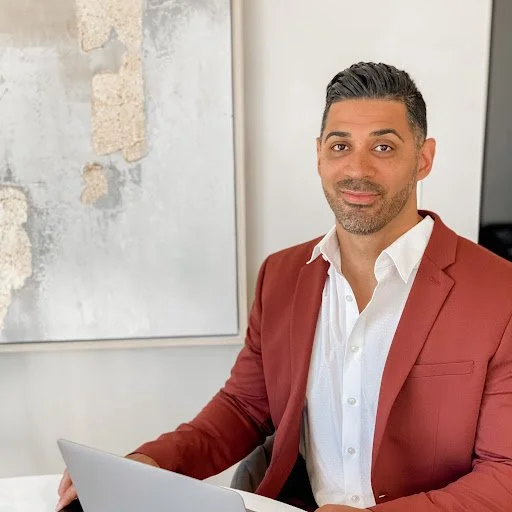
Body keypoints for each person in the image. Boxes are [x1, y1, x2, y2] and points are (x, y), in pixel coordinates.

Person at [57, 62, 512, 512]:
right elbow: (243, 408)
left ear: (423, 159)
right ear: (319, 155)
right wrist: (149, 464)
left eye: (383, 147)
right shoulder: (281, 276)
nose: (357, 168)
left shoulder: (499, 293)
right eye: (340, 146)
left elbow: (505, 473)